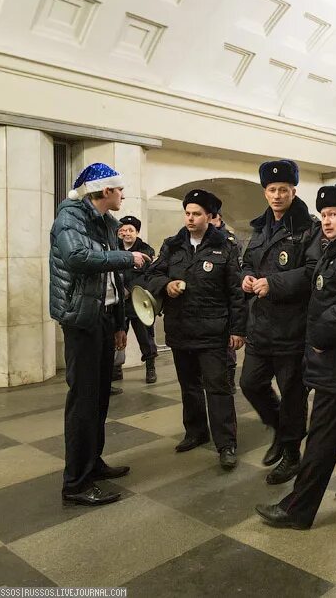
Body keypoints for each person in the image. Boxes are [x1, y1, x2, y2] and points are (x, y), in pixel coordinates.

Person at [255, 182, 336, 530]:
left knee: (322, 437)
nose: (327, 221)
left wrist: (317, 337)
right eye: (324, 215)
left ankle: (297, 510)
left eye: (334, 215)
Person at [50, 163, 151, 506]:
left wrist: (121, 322)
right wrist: (126, 256)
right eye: (119, 189)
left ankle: (93, 463)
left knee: (100, 399)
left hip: (105, 316)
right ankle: (76, 483)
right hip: (82, 319)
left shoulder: (107, 222)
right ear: (104, 191)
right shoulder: (70, 217)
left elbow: (114, 282)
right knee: (83, 401)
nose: (123, 195)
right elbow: (77, 257)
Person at [145, 189, 247, 470]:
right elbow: (152, 274)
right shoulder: (172, 245)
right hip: (180, 329)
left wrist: (238, 329)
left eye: (197, 214)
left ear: (210, 217)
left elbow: (236, 291)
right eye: (187, 213)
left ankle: (226, 443)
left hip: (213, 330)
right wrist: (166, 285)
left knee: (218, 388)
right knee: (189, 386)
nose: (190, 218)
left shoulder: (225, 246)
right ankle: (196, 432)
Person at [240, 160, 318, 485]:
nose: (276, 195)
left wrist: (275, 283)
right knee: (250, 384)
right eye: (271, 190)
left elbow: (313, 269)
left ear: (293, 191)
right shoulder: (260, 228)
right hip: (261, 327)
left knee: (292, 394)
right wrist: (245, 277)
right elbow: (246, 261)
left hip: (291, 328)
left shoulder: (308, 227)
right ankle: (278, 429)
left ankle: (291, 454)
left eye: (283, 190)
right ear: (265, 191)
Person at [115, 215, 158, 383]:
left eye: (130, 230)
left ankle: (150, 367)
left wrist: (129, 289)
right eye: (123, 230)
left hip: (139, 302)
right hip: (118, 303)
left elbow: (147, 276)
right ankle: (116, 369)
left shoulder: (146, 250)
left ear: (137, 232)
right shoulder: (114, 247)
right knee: (117, 336)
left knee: (145, 337)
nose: (126, 233)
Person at [209, 200, 242, 394]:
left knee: (227, 343)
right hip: (209, 298)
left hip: (225, 297)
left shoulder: (229, 240)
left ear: (217, 218)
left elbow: (236, 271)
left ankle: (229, 377)